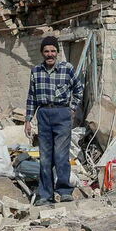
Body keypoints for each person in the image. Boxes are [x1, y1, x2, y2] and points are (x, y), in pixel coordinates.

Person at [25, 36, 84, 204]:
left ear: (57, 52)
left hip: (62, 114)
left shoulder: (67, 69)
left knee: (60, 155)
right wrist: (28, 119)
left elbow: (79, 89)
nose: (50, 54)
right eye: (46, 51)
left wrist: (72, 108)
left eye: (53, 51)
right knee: (45, 157)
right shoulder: (36, 71)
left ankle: (64, 191)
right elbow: (31, 97)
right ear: (42, 53)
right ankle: (45, 195)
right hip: (43, 114)